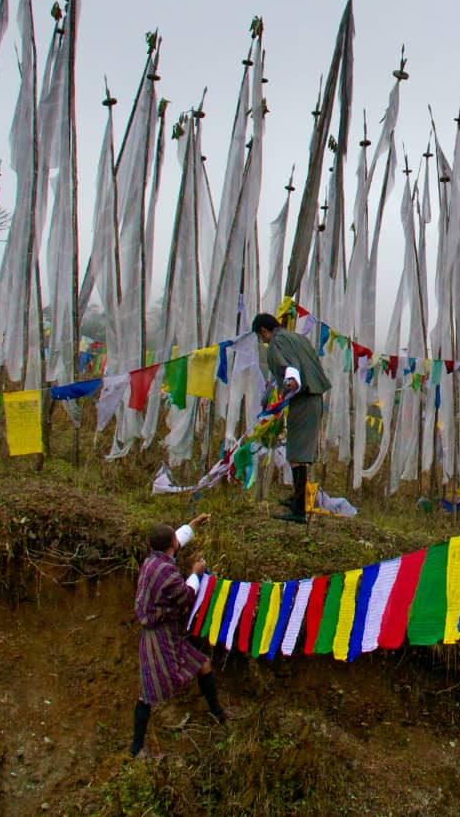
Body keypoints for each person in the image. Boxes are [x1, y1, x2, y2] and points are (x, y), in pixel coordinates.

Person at [130, 514, 227, 758]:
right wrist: (196, 573)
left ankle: (218, 714)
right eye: (176, 537)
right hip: (158, 636)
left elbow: (176, 541)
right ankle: (136, 748)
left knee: (203, 664)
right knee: (147, 692)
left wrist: (192, 525)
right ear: (171, 543)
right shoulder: (167, 572)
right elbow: (185, 596)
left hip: (165, 633)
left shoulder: (152, 561)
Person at [251, 312, 331, 524]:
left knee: (297, 453)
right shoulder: (297, 338)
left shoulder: (277, 342)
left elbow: (291, 368)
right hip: (312, 397)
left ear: (263, 331)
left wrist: (291, 383)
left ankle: (299, 510)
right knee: (299, 451)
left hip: (303, 397)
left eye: (261, 338)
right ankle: (297, 500)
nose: (263, 341)